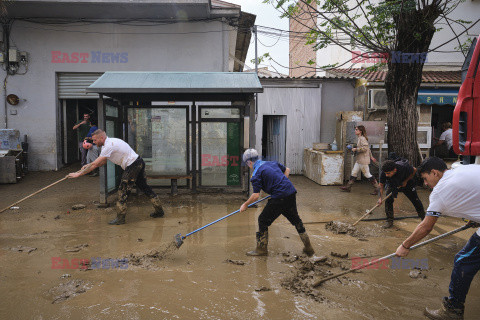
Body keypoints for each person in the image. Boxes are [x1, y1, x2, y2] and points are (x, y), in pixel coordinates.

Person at [395, 157, 480, 320]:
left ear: (435, 172)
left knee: (463, 261)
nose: (426, 184)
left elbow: (426, 227)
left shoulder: (440, 191)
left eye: (426, 179)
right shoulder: (461, 168)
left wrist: (405, 245)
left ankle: (452, 311)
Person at [68, 129, 165, 225]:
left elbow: (95, 164)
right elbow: (101, 162)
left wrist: (79, 174)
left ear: (101, 138)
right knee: (144, 187)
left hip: (133, 165)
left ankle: (120, 218)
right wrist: (88, 166)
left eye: (95, 140)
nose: (93, 142)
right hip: (138, 162)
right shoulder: (108, 144)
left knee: (122, 191)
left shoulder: (109, 145)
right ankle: (159, 210)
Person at [239, 148, 315, 257]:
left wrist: (245, 204)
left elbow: (255, 195)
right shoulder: (271, 163)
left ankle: (261, 249)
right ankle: (309, 248)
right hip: (290, 193)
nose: (248, 166)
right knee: (296, 219)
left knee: (263, 220)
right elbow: (287, 170)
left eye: (247, 164)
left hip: (279, 197)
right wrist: (280, 185)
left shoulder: (256, 174)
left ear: (249, 162)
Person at [377, 157, 425, 228]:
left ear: (395, 170)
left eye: (388, 173)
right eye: (385, 173)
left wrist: (406, 181)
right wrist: (379, 198)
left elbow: (414, 170)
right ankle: (389, 220)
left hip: (407, 183)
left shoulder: (404, 166)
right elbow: (381, 185)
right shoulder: (384, 172)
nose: (386, 175)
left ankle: (424, 219)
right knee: (388, 200)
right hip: (393, 184)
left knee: (415, 200)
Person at [340, 125, 379, 195]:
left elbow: (365, 149)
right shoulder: (359, 138)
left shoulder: (362, 139)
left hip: (363, 160)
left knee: (367, 174)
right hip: (359, 160)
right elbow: (368, 149)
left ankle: (377, 188)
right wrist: (371, 157)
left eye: (356, 129)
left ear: (360, 131)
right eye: (355, 129)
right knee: (354, 173)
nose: (355, 130)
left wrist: (356, 149)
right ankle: (348, 187)